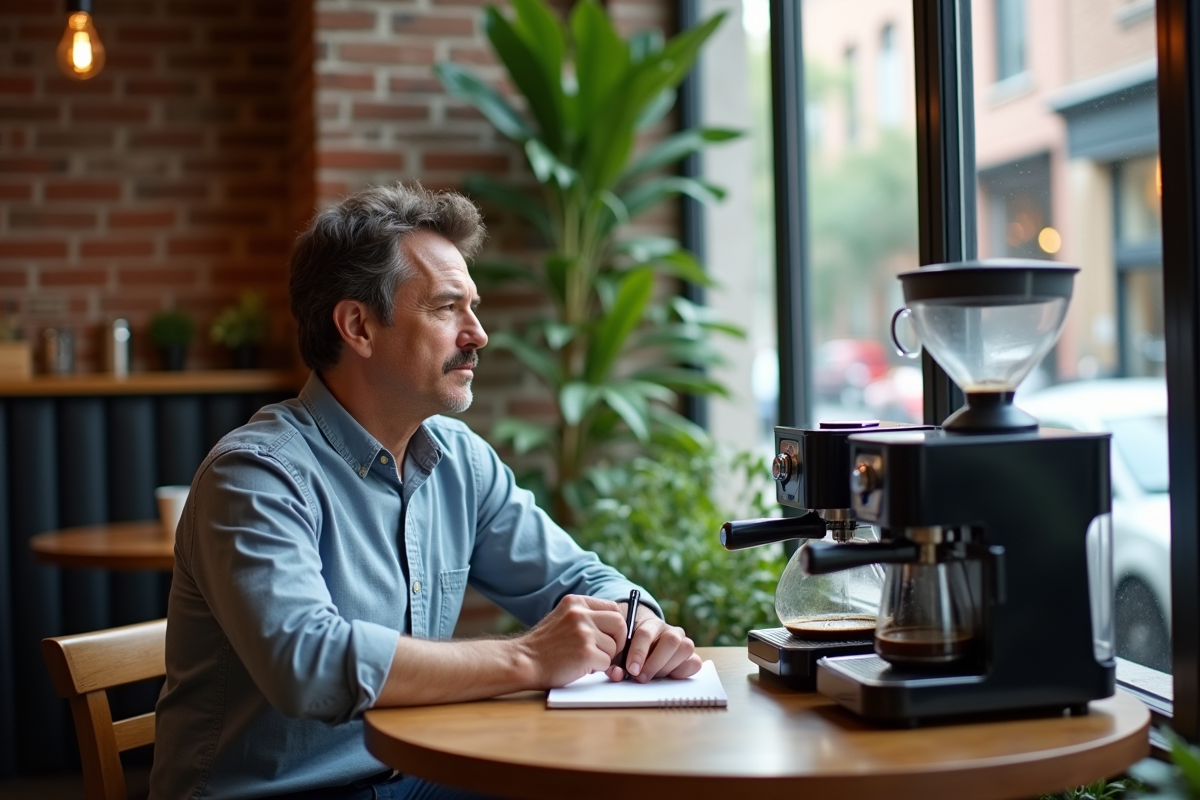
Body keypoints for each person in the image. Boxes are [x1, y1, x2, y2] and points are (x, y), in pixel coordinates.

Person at [149, 183, 701, 800]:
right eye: (446, 309)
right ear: (358, 325)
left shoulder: (460, 460)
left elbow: (583, 580)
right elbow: (308, 665)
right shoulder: (256, 474)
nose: (478, 334)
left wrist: (640, 623)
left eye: (474, 307)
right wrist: (528, 658)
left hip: (410, 779)